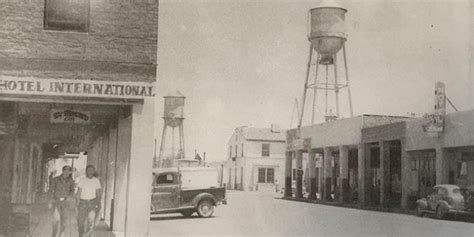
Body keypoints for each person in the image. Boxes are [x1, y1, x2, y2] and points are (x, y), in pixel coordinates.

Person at [76, 165, 102, 237]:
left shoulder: (96, 181)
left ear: (93, 171)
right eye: (88, 170)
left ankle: (88, 235)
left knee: (90, 221)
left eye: (91, 170)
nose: (89, 172)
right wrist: (77, 204)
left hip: (92, 203)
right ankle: (80, 235)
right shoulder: (82, 180)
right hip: (82, 203)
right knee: (80, 222)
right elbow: (78, 193)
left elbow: (98, 194)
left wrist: (98, 204)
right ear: (86, 171)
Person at [49, 165, 74, 237]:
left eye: (68, 171)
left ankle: (61, 234)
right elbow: (51, 190)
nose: (66, 172)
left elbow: (72, 190)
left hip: (65, 203)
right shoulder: (55, 179)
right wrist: (50, 201)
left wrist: (70, 197)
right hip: (56, 202)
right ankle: (53, 234)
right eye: (65, 170)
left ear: (69, 172)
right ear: (62, 171)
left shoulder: (71, 181)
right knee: (55, 220)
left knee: (64, 221)